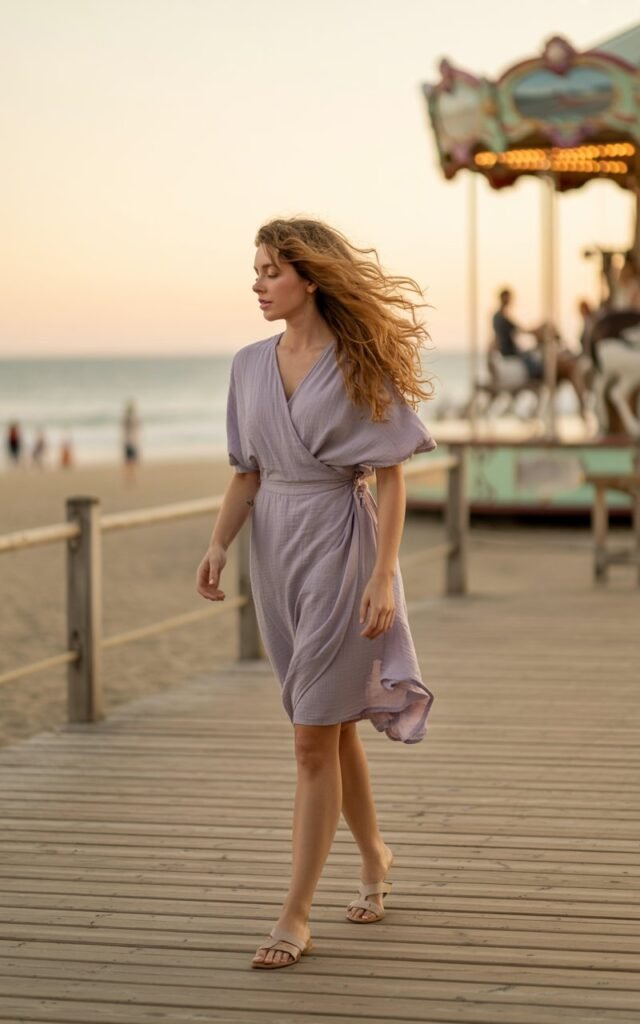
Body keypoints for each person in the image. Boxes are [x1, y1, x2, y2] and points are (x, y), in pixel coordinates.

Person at [196, 217, 437, 970]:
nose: (259, 283)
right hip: (275, 550)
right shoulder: (246, 366)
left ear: (309, 277)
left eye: (272, 270)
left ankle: (294, 915)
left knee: (309, 737)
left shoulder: (357, 363)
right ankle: (376, 858)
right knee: (329, 725)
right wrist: (218, 542)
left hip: (340, 542)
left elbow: (394, 472)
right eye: (256, 270)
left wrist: (381, 574)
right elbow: (247, 471)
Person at [491, 288, 544, 380]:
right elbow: (519, 329)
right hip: (508, 350)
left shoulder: (500, 316)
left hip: (507, 349)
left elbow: (517, 329)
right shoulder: (501, 317)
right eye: (508, 298)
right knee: (529, 358)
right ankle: (536, 376)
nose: (509, 300)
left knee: (530, 355)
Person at [121, 400, 140, 483]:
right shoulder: (131, 419)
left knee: (129, 461)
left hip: (129, 442)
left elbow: (124, 431)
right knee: (130, 461)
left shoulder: (127, 419)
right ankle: (130, 477)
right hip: (131, 442)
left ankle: (129, 477)